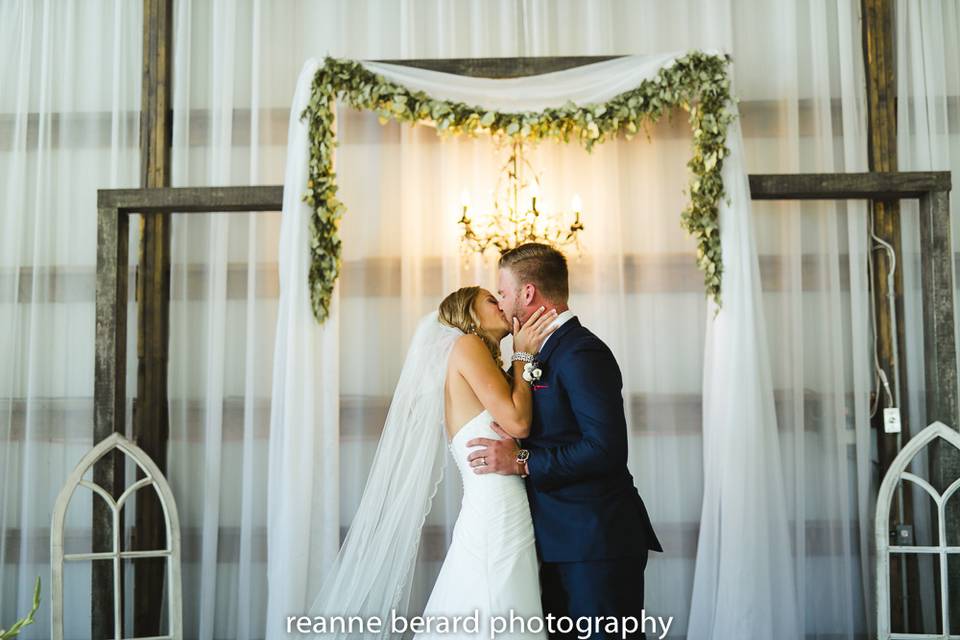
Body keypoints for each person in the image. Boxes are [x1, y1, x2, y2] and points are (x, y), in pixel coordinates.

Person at [305, 285, 557, 640]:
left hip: (502, 503)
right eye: (490, 299)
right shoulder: (466, 345)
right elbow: (518, 422)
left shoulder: (477, 361)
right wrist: (523, 355)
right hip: (495, 506)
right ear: (469, 315)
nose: (501, 304)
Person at [466, 242, 663, 640]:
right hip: (557, 542)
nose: (501, 303)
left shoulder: (581, 352)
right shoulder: (536, 353)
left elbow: (605, 448)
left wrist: (522, 461)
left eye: (503, 293)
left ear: (528, 293)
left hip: (594, 545)